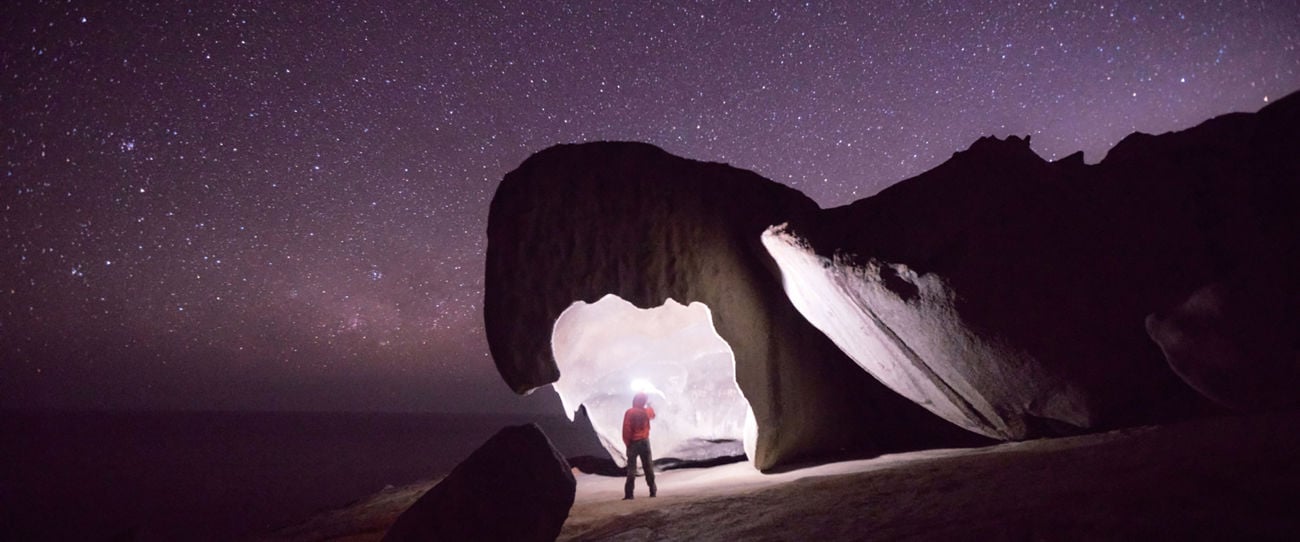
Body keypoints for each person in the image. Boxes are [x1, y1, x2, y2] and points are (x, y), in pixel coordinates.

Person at [622, 391, 657, 500]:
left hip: (633, 442)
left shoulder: (630, 412)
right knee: (648, 466)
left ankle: (629, 494)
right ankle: (652, 490)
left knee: (631, 469)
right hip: (645, 441)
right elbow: (653, 414)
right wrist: (649, 405)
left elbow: (626, 428)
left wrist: (627, 442)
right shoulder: (646, 411)